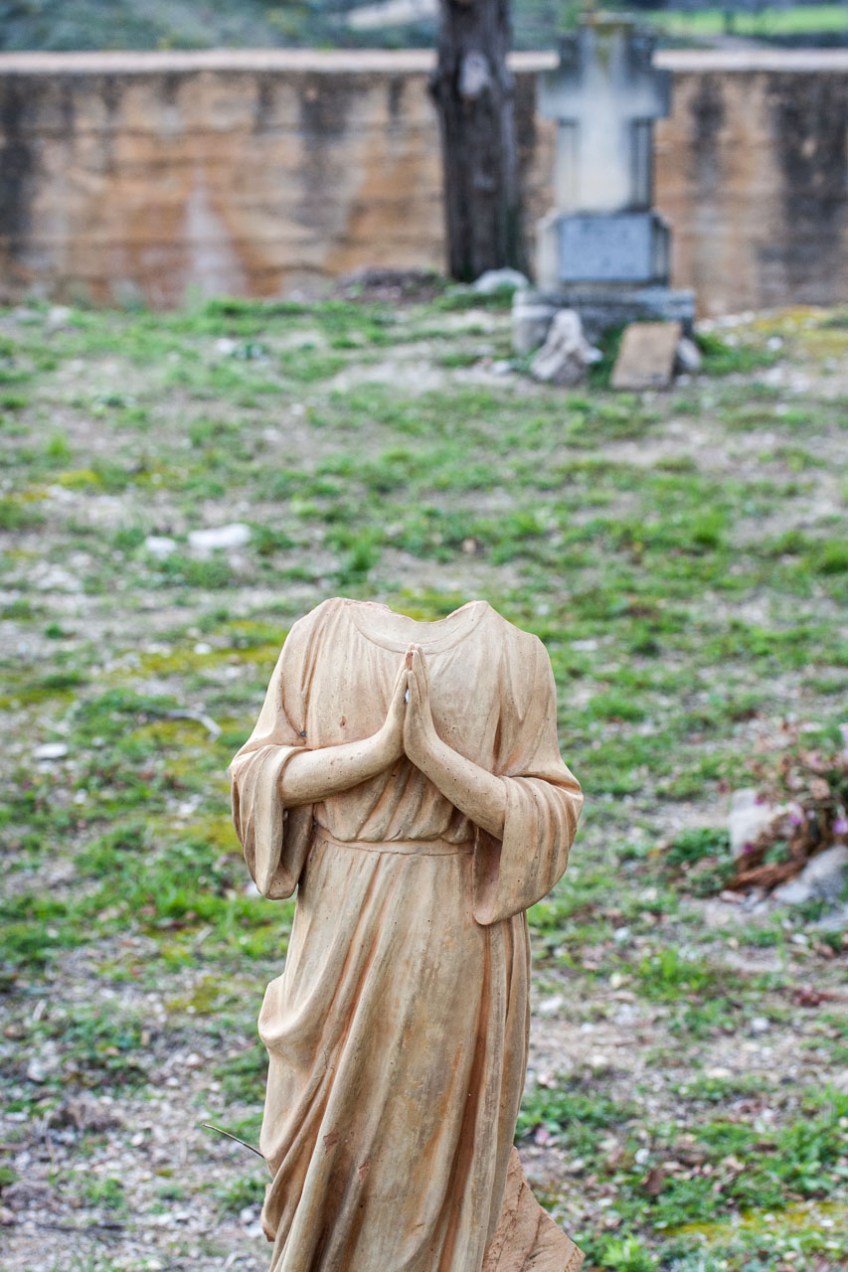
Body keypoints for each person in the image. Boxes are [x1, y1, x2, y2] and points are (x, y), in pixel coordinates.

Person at [229, 597, 585, 1272]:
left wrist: (430, 754)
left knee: (428, 1130)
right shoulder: (316, 636)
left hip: (451, 930)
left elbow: (547, 809)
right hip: (340, 914)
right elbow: (260, 775)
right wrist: (378, 750)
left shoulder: (515, 655)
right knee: (309, 1142)